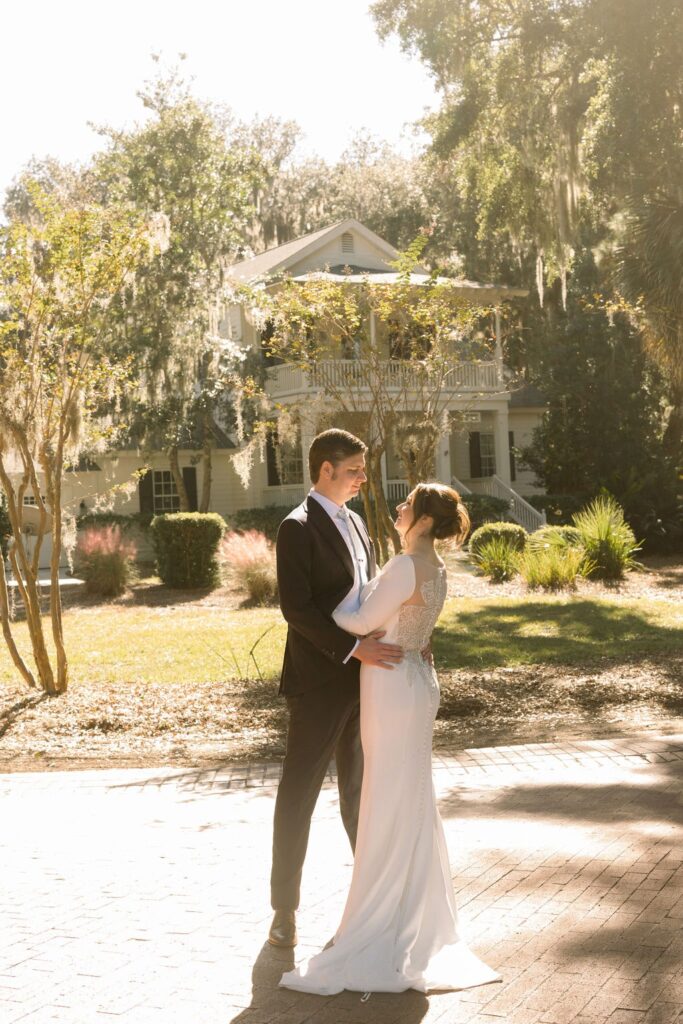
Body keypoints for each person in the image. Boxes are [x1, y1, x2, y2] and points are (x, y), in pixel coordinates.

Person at [279, 483, 501, 994]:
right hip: (416, 680)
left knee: (386, 797)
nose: (398, 508)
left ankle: (381, 919)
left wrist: (327, 614)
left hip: (392, 685)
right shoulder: (435, 566)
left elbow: (358, 619)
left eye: (407, 505)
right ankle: (410, 913)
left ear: (423, 521)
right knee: (410, 796)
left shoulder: (404, 566)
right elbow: (413, 621)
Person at [268, 428, 404, 949]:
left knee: (360, 795)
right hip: (318, 681)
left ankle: (370, 903)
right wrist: (350, 649)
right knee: (298, 794)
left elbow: (367, 593)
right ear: (325, 469)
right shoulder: (296, 527)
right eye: (353, 470)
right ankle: (284, 911)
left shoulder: (357, 522)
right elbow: (296, 609)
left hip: (364, 679)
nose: (362, 477)